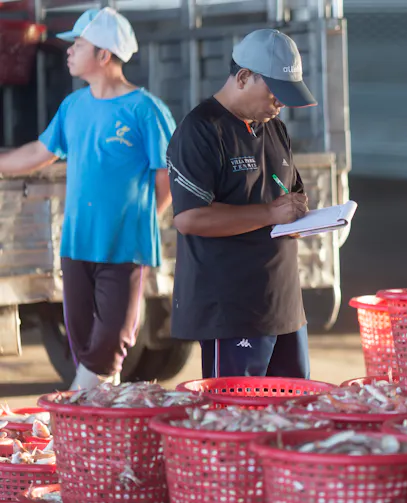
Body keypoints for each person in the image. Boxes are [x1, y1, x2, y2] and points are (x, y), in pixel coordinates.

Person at [0, 7, 176, 390]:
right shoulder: (74, 107)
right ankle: (97, 414)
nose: (68, 51)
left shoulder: (146, 111)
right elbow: (37, 153)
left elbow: (168, 179)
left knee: (109, 343)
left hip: (124, 249)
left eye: (77, 44)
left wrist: (140, 222)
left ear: (104, 55)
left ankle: (86, 401)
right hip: (76, 243)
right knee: (81, 342)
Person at [166, 29, 317, 379]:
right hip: (232, 310)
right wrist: (270, 214)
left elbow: (290, 195)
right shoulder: (201, 129)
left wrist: (300, 217)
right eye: (275, 92)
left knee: (297, 414)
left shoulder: (275, 129)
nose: (279, 103)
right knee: (237, 415)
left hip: (285, 306)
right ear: (244, 77)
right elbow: (189, 217)